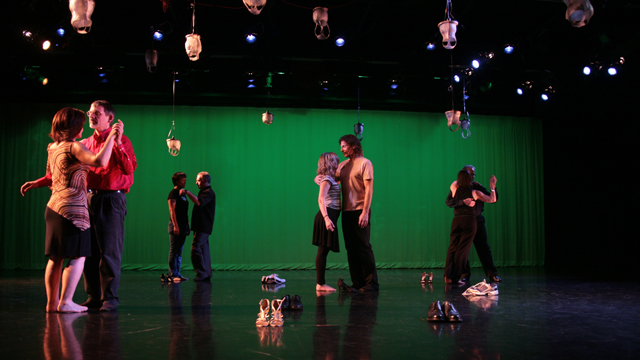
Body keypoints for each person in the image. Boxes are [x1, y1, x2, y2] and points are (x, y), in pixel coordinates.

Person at [21, 100, 137, 312]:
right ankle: (93, 296)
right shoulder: (82, 143)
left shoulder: (121, 141)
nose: (91, 116)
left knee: (109, 250)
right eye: (89, 112)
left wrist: (117, 142)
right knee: (88, 251)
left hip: (111, 199)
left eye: (96, 113)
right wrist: (38, 182)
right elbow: (59, 172)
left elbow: (129, 169)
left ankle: (109, 298)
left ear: (109, 118)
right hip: (85, 200)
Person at [334, 134, 378, 293]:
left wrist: (365, 212)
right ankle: (357, 283)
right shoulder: (344, 165)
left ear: (353, 145)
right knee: (351, 249)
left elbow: (369, 189)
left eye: (344, 146)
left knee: (363, 247)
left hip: (360, 210)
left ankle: (371, 283)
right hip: (346, 212)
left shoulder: (365, 163)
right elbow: (333, 180)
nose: (341, 149)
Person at [446, 165, 501, 282]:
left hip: (477, 219)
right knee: (463, 248)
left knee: (483, 247)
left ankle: (492, 274)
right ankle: (464, 274)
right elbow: (449, 201)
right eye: (470, 174)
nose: (472, 176)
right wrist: (463, 202)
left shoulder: (477, 187)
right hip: (464, 219)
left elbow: (492, 198)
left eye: (473, 174)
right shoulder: (456, 187)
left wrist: (493, 187)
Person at [312, 152, 342, 292]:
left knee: (324, 250)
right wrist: (326, 218)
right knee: (323, 251)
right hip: (327, 215)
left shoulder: (330, 178)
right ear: (330, 163)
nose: (338, 163)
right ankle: (320, 284)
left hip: (330, 215)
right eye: (336, 161)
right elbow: (321, 199)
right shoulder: (327, 179)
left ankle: (320, 283)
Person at [182, 172, 216, 281]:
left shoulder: (208, 192)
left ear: (205, 181)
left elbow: (198, 202)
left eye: (199, 180)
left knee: (196, 248)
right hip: (201, 226)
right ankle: (206, 273)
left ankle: (201, 273)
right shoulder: (204, 192)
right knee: (203, 249)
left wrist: (187, 192)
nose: (196, 182)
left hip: (203, 226)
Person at [166, 172, 190, 282]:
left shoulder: (183, 194)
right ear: (176, 181)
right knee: (174, 250)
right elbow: (172, 211)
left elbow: (185, 211)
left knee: (179, 251)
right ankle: (172, 274)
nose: (184, 181)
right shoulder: (173, 194)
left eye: (185, 179)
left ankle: (177, 273)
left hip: (183, 225)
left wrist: (187, 225)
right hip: (176, 225)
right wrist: (175, 226)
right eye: (182, 180)